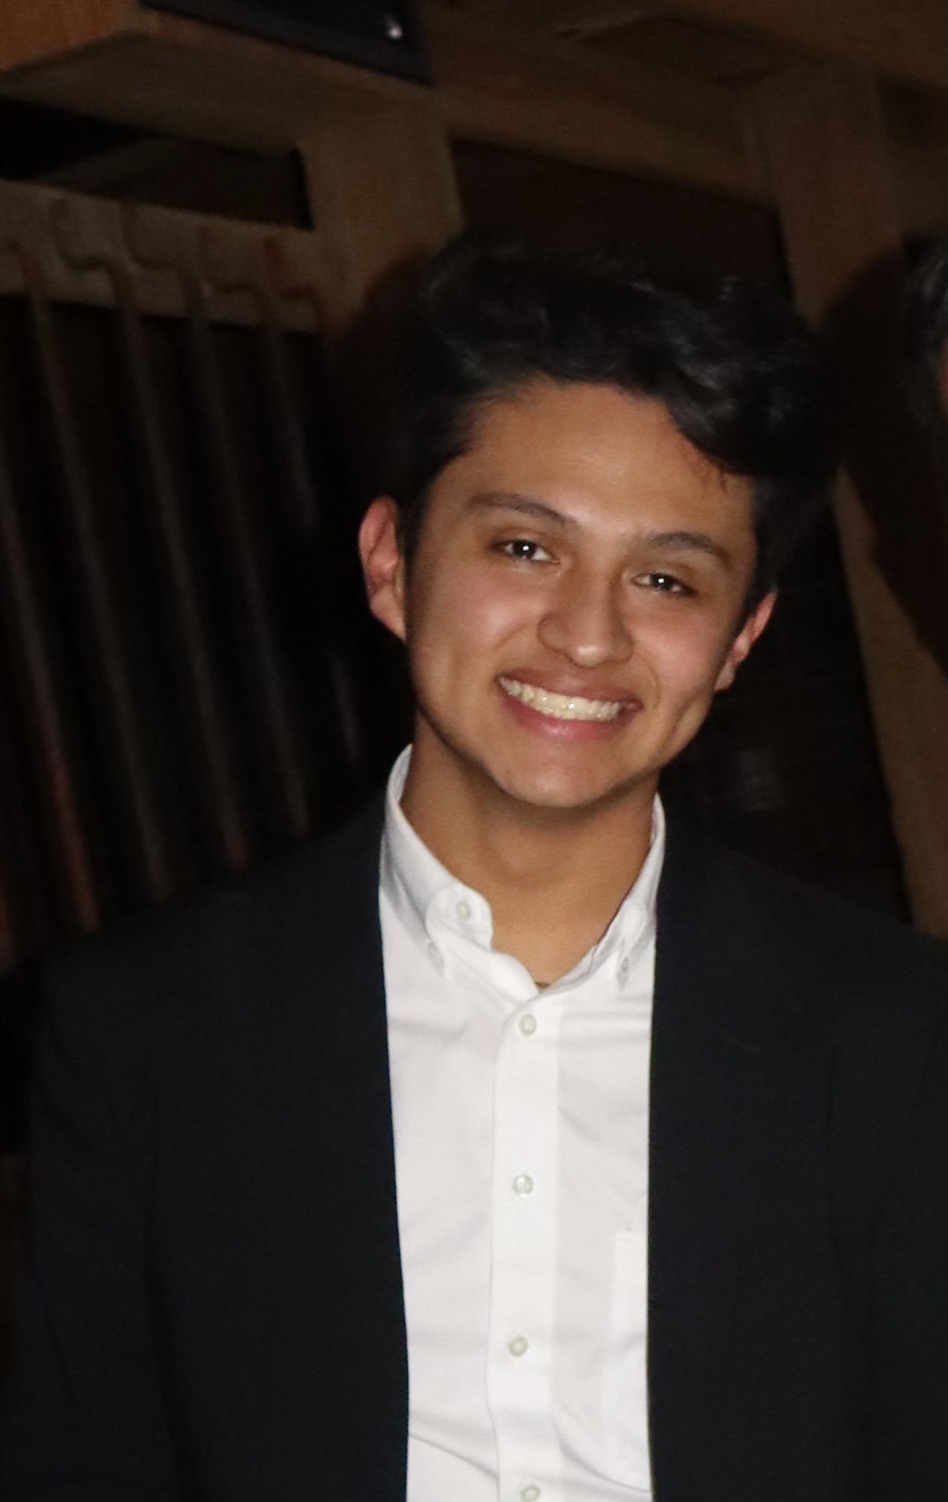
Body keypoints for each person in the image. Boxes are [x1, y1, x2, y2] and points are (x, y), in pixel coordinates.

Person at [2, 236, 946, 1502]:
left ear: (740, 639)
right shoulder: (148, 1028)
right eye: (524, 548)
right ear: (392, 560)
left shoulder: (896, 1035)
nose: (588, 633)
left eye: (665, 577)